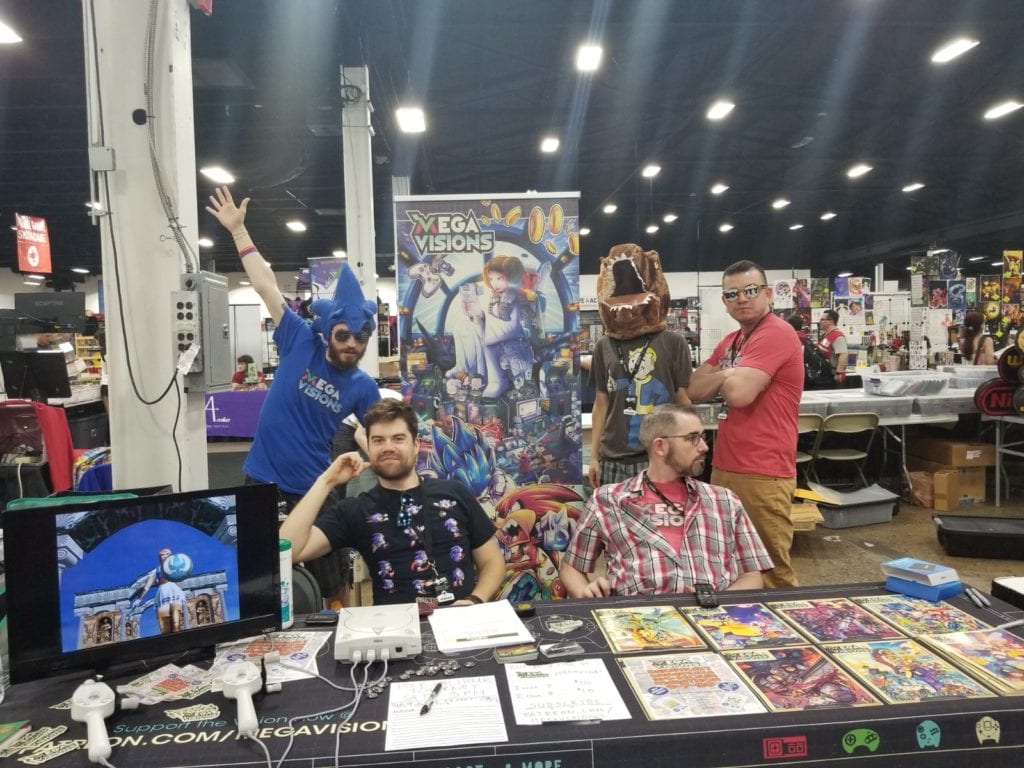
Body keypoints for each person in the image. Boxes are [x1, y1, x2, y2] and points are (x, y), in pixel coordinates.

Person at [206, 186, 380, 506]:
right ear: (327, 333)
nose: (352, 344)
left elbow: (381, 434)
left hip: (312, 487)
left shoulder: (363, 386)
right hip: (260, 478)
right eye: (343, 335)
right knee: (258, 542)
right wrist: (239, 231)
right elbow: (266, 286)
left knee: (326, 542)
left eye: (361, 338)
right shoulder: (299, 339)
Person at [280, 399, 506, 605]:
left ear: (415, 445)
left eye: (398, 438)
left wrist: (475, 600)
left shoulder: (454, 493)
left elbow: (492, 561)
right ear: (368, 448)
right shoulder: (356, 510)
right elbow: (288, 550)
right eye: (378, 440)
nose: (388, 447)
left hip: (460, 621)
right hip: (394, 629)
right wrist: (325, 481)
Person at [559, 404, 772, 598]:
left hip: (713, 618)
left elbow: (752, 574)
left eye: (703, 437)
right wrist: (586, 593)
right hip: (637, 619)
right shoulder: (608, 500)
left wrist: (717, 606)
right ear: (660, 446)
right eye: (692, 438)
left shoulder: (724, 500)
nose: (704, 447)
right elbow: (571, 568)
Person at [687, 260, 802, 588]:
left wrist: (723, 375)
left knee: (770, 570)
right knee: (735, 564)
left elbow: (738, 394)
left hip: (763, 470)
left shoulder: (776, 333)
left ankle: (786, 621)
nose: (741, 299)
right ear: (724, 301)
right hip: (727, 465)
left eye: (750, 290)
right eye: (732, 294)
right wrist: (730, 372)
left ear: (768, 293)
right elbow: (694, 388)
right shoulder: (733, 340)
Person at [589, 243, 692, 488]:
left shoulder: (673, 342)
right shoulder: (604, 345)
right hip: (613, 458)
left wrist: (689, 448)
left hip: (661, 456)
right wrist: (594, 456)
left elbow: (682, 401)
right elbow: (601, 401)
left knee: (662, 513)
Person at [816, 310, 849, 385]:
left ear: (830, 321)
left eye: (822, 319)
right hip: (824, 374)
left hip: (832, 375)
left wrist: (838, 373)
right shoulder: (827, 335)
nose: (820, 322)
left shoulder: (837, 336)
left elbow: (843, 354)